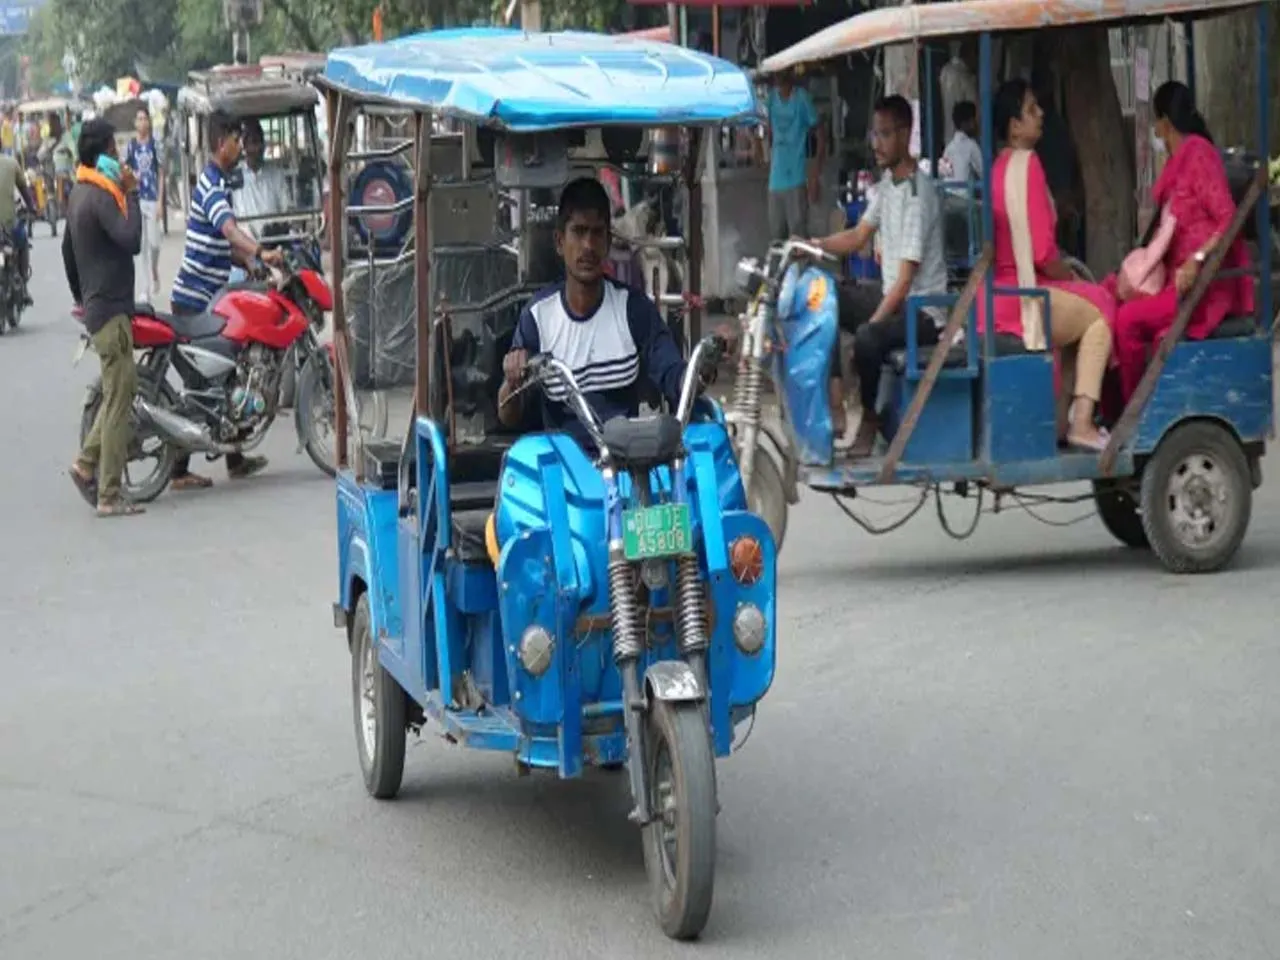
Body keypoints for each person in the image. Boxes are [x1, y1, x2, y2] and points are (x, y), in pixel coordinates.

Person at [497, 177, 689, 447]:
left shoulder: (633, 309)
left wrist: (699, 374)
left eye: (597, 233)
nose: (588, 245)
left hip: (627, 468)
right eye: (579, 231)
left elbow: (673, 375)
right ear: (559, 241)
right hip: (562, 474)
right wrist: (512, 380)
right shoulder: (538, 317)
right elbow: (508, 415)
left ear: (608, 242)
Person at [811, 95, 948, 456]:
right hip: (895, 296)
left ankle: (870, 420)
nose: (877, 144)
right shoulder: (888, 186)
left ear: (905, 135)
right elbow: (858, 235)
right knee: (825, 296)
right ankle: (835, 404)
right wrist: (812, 244)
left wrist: (868, 327)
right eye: (875, 135)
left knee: (869, 338)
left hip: (923, 311)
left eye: (885, 135)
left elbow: (905, 283)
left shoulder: (920, 195)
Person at [982, 79, 1115, 451]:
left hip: (998, 295)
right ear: (1014, 126)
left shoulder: (998, 167)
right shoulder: (1030, 165)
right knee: (1101, 310)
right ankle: (1084, 423)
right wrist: (1070, 275)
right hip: (1027, 297)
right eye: (1030, 109)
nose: (1040, 114)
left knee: (1082, 303)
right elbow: (1044, 253)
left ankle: (1059, 420)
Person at [1104, 81, 1252, 403]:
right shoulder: (1175, 163)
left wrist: (1197, 259)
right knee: (1109, 298)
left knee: (1128, 321)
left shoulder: (1199, 155)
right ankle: (1114, 406)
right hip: (1178, 281)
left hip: (1203, 288)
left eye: (1155, 121)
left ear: (1164, 124)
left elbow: (1228, 219)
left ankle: (1134, 411)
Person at [169, 109, 283, 489]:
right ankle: (178, 471)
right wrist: (260, 252)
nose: (239, 145)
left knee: (228, 374)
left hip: (206, 295)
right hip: (195, 300)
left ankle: (234, 457)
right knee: (201, 386)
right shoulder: (212, 184)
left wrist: (250, 262)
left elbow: (221, 245)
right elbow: (230, 231)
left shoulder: (218, 181)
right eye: (236, 139)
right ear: (223, 143)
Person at [64, 119, 145, 517]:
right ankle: (109, 494)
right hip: (111, 312)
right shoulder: (100, 196)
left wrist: (82, 298)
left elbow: (68, 255)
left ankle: (84, 465)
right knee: (118, 399)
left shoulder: (79, 193)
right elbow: (131, 239)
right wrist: (132, 194)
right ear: (101, 154)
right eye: (114, 148)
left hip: (99, 308)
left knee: (115, 395)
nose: (118, 155)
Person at [227, 118, 292, 282]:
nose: (256, 148)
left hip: (275, 246)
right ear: (244, 147)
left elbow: (287, 212)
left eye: (259, 142)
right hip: (245, 250)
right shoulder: (235, 178)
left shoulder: (276, 175)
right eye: (252, 143)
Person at [766, 70, 824, 242]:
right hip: (775, 181)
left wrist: (814, 175)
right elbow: (765, 129)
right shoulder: (771, 99)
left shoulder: (801, 98)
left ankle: (800, 269)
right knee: (777, 241)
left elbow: (821, 135)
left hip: (797, 179)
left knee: (798, 241)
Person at [124, 106, 164, 303]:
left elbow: (162, 173)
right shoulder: (131, 146)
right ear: (135, 123)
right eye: (138, 119)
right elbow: (125, 169)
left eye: (144, 118)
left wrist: (160, 202)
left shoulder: (155, 145)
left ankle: (155, 270)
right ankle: (145, 289)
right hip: (137, 199)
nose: (142, 122)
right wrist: (133, 176)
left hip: (152, 198)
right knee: (142, 246)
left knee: (155, 243)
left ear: (149, 122)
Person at [0, 142, 36, 307]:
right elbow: (24, 190)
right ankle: (23, 283)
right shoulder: (12, 163)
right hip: (9, 225)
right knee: (22, 242)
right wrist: (32, 208)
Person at [940, 101, 981, 184]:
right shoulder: (971, 146)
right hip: (964, 196)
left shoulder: (948, 148)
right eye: (973, 120)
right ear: (965, 123)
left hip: (948, 195)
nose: (976, 124)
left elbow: (944, 175)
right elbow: (985, 173)